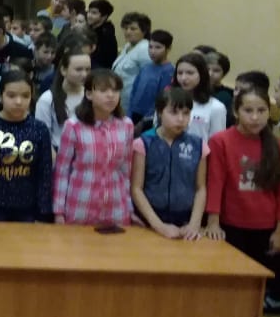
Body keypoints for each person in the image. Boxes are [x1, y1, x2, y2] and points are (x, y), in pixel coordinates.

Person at [205, 86, 280, 313]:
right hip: (232, 226)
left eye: (261, 110)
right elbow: (215, 182)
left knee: (257, 290)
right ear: (236, 112)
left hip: (266, 228)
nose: (255, 117)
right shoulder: (220, 141)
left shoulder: (277, 146)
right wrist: (213, 221)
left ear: (269, 112)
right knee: (231, 286)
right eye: (248, 110)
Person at [0, 69, 53, 222]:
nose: (19, 101)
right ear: (0, 96)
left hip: (28, 210)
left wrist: (43, 214)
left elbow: (45, 175)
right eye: (11, 95)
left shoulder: (39, 129)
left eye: (25, 96)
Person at [53, 69, 134, 226]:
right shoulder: (73, 126)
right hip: (80, 206)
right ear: (89, 94)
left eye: (115, 90)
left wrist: (129, 207)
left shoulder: (126, 125)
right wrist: (58, 211)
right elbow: (62, 171)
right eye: (103, 91)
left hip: (116, 208)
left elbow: (125, 170)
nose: (111, 95)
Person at [131, 88, 207, 240]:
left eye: (186, 113)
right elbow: (136, 188)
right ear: (160, 112)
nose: (180, 119)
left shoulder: (199, 145)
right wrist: (159, 226)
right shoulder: (143, 143)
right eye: (173, 113)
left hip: (185, 221)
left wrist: (194, 224)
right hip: (149, 221)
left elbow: (200, 188)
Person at [35, 42, 91, 152]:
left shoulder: (91, 95)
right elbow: (42, 135)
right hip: (59, 152)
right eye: (78, 69)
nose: (84, 74)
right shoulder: (47, 99)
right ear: (63, 70)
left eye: (88, 69)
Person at [171, 52, 227, 142]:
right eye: (180, 73)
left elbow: (217, 142)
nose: (183, 78)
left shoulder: (216, 107)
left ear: (202, 74)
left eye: (190, 73)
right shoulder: (169, 100)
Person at [127, 29, 174, 126]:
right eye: (150, 47)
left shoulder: (169, 72)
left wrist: (144, 122)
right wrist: (129, 114)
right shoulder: (146, 67)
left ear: (168, 49)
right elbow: (134, 91)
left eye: (158, 47)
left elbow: (161, 100)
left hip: (150, 119)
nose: (153, 51)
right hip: (134, 114)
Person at [111, 12, 151, 114]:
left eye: (133, 29)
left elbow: (147, 80)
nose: (128, 32)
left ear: (144, 31)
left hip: (132, 101)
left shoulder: (145, 49)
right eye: (125, 28)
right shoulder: (128, 46)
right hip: (119, 96)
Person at [86, 0, 117, 69]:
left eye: (94, 13)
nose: (89, 15)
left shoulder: (106, 36)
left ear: (104, 16)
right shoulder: (89, 29)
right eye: (89, 12)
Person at [204, 50, 234, 125]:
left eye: (216, 71)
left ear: (224, 73)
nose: (210, 74)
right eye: (207, 69)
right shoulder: (193, 90)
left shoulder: (228, 95)